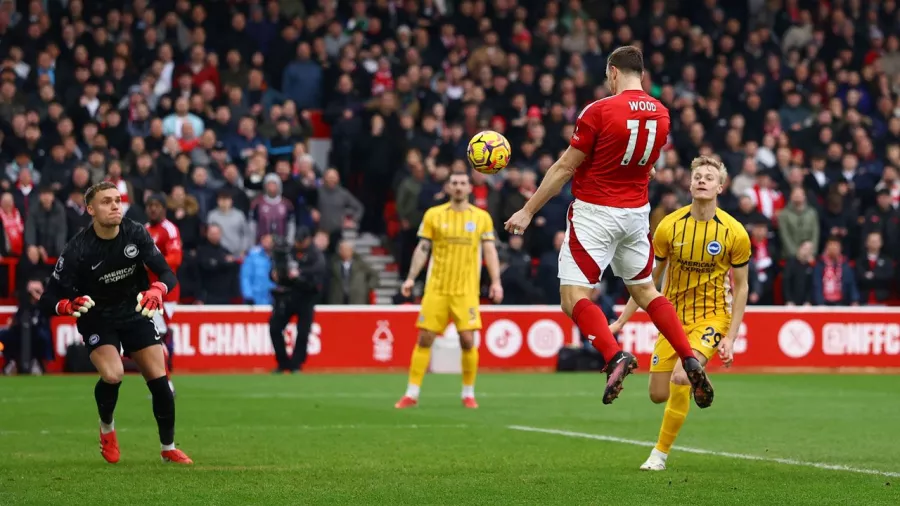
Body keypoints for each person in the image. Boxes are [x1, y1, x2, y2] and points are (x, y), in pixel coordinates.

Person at [504, 45, 714, 407]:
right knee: (646, 292)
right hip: (636, 214)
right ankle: (689, 356)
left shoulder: (599, 109)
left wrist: (527, 210)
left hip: (595, 212)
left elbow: (564, 168)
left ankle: (614, 355)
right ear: (642, 75)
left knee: (573, 299)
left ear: (612, 72)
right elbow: (647, 166)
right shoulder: (662, 114)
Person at [608, 156, 751, 471]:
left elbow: (741, 288)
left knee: (681, 377)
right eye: (697, 175)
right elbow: (646, 282)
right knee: (658, 394)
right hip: (672, 320)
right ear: (689, 183)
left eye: (709, 177)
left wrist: (730, 336)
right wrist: (620, 320)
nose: (702, 180)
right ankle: (697, 374)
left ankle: (658, 455)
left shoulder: (735, 232)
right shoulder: (669, 226)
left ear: (720, 187)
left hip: (712, 317)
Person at [39, 182, 192, 465]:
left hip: (134, 311)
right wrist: (66, 306)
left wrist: (157, 290)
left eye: (117, 200)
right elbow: (48, 298)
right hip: (97, 317)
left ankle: (168, 448)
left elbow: (167, 273)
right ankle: (107, 428)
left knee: (160, 381)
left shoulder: (135, 232)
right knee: (113, 375)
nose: (114, 206)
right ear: (90, 209)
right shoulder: (78, 248)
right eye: (106, 201)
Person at [394, 172, 503, 409]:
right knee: (425, 338)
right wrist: (411, 278)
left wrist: (496, 281)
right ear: (448, 187)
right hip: (437, 288)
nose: (458, 187)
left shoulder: (482, 217)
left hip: (466, 290)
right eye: (454, 183)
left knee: (467, 340)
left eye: (463, 183)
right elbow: (423, 248)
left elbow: (490, 251)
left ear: (470, 188)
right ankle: (411, 393)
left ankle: (468, 393)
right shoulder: (433, 215)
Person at [269, 226, 326, 373]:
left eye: (301, 241)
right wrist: (274, 274)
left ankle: (296, 364)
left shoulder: (316, 255)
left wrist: (299, 275)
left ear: (308, 240)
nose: (298, 244)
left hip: (307, 297)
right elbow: (278, 267)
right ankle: (282, 362)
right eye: (297, 241)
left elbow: (317, 276)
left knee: (303, 331)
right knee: (275, 327)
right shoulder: (288, 252)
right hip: (287, 295)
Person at [145, 193, 182, 392]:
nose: (153, 209)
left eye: (157, 205)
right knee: (156, 336)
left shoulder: (169, 229)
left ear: (164, 209)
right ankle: (164, 382)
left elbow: (175, 258)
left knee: (158, 335)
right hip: (149, 293)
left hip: (167, 293)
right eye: (150, 205)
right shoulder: (143, 230)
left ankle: (166, 383)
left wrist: (149, 264)